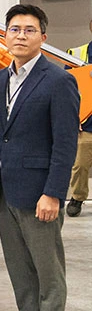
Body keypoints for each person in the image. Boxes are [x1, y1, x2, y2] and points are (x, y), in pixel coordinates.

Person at [0, 4, 78, 311]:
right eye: (15, 29)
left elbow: (65, 144)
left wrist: (54, 193)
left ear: (43, 38)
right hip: (5, 190)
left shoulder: (58, 80)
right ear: (5, 35)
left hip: (40, 194)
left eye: (29, 30)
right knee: (20, 269)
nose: (20, 35)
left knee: (48, 273)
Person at [66, 19, 92, 217]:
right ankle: (77, 197)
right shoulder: (76, 55)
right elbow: (67, 90)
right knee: (79, 165)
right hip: (86, 124)